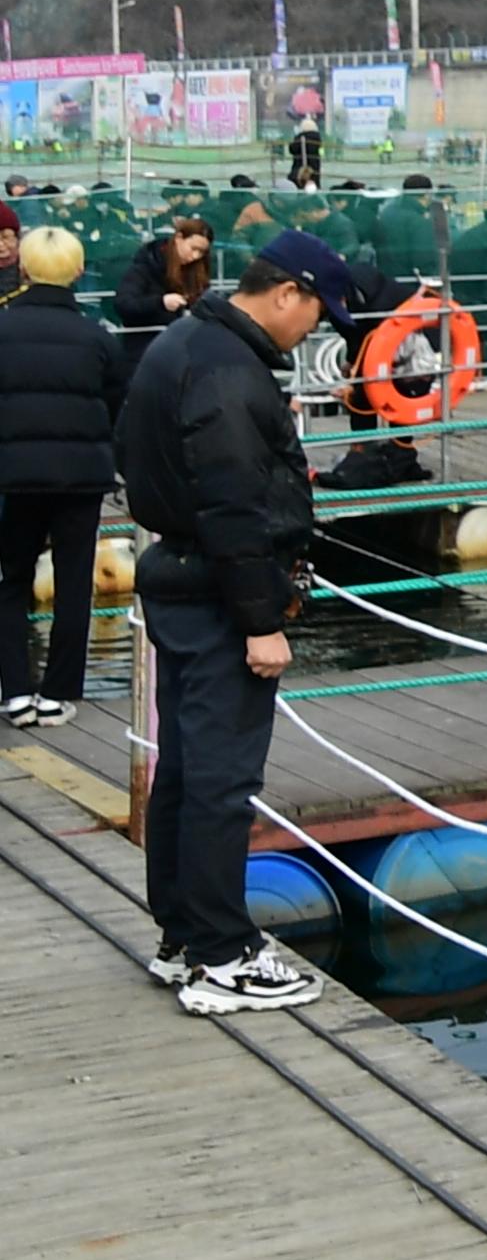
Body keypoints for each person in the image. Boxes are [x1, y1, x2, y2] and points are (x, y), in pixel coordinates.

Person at [123, 229, 357, 1014]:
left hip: (178, 579)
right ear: (286, 292)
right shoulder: (228, 370)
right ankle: (223, 953)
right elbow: (231, 500)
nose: (314, 332)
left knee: (186, 771)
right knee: (221, 780)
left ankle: (183, 933)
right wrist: (261, 619)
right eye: (317, 314)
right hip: (219, 592)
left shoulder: (187, 342)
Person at [0, 226, 125, 728]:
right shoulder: (98, 337)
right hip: (81, 477)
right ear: (76, 272)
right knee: (75, 584)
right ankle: (57, 694)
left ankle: (14, 692)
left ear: (24, 270)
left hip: (11, 476)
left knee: (11, 582)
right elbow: (117, 404)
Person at [116, 217, 216, 339]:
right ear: (179, 238)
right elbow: (124, 304)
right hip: (145, 342)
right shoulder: (145, 266)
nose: (195, 256)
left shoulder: (197, 271)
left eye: (201, 252)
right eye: (193, 248)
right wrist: (161, 302)